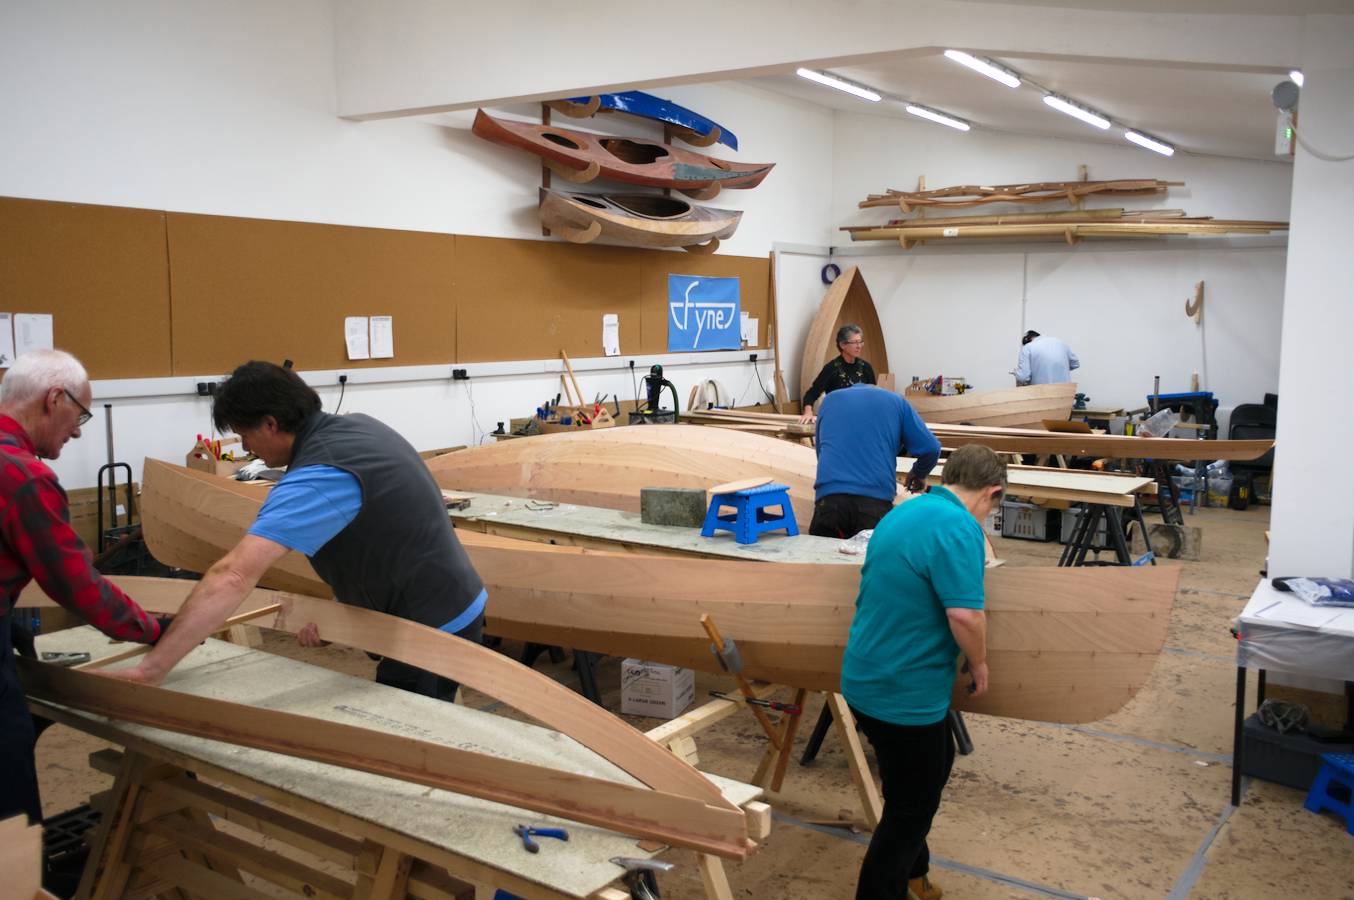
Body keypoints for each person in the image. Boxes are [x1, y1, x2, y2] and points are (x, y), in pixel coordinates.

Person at [107, 361, 486, 700]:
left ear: (271, 424)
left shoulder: (320, 476)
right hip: (443, 601)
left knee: (410, 747)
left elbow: (234, 574)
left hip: (433, 626)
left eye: (244, 435)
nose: (246, 448)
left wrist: (151, 669)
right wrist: (346, 613)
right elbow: (382, 533)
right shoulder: (358, 427)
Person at [1, 350, 165, 824]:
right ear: (55, 399)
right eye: (80, 415)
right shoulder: (23, 476)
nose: (77, 431)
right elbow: (74, 585)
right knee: (9, 806)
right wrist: (151, 629)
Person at [840, 444, 1005, 900]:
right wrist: (980, 663)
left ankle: (917, 873)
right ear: (991, 492)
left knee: (912, 780)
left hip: (863, 678)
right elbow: (966, 617)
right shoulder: (959, 528)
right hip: (903, 691)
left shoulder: (904, 511)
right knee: (910, 810)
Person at [810, 383, 941, 540]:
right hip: (874, 504)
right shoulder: (896, 402)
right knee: (872, 563)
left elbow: (821, 451)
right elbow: (931, 448)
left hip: (830, 502)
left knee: (822, 562)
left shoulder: (829, 400)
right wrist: (919, 473)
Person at [799, 324, 877, 423]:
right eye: (854, 342)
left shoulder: (866, 367)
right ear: (842, 345)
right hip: (838, 420)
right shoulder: (831, 368)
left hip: (862, 419)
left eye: (860, 342)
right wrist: (808, 412)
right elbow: (811, 394)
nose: (859, 346)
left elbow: (874, 395)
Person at [1015, 330, 1079, 386]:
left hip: (1043, 393)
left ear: (1028, 340)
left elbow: (1023, 377)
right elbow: (1075, 364)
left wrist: (1016, 372)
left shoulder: (1028, 347)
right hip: (1066, 392)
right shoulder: (1060, 342)